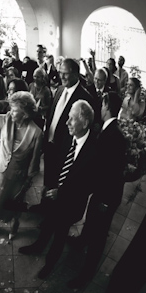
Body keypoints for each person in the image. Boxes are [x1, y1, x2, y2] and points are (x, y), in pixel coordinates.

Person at [19, 100, 98, 280]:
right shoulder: (69, 136)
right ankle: (38, 246)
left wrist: (62, 193)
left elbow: (89, 185)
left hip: (71, 204)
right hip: (54, 193)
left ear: (84, 123)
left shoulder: (94, 151)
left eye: (71, 119)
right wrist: (51, 185)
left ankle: (50, 263)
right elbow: (60, 163)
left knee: (60, 234)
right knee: (48, 223)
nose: (67, 122)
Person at [67, 92, 127, 288]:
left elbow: (113, 172)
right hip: (100, 192)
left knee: (99, 235)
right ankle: (81, 241)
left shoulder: (114, 135)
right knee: (91, 220)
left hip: (106, 196)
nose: (101, 107)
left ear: (107, 106)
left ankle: (86, 273)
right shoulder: (110, 129)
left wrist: (105, 201)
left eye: (103, 104)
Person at [0, 91, 43, 240]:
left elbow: (34, 161)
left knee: (13, 203)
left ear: (25, 114)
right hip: (0, 170)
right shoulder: (6, 120)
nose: (11, 112)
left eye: (15, 110)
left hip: (18, 176)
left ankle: (14, 224)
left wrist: (27, 182)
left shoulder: (37, 133)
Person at [39, 58, 93, 211]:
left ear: (76, 74)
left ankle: (53, 213)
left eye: (65, 74)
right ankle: (45, 207)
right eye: (60, 72)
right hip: (50, 145)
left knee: (58, 184)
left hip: (64, 151)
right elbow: (52, 116)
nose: (61, 77)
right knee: (47, 180)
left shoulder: (85, 97)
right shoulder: (60, 90)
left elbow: (83, 128)